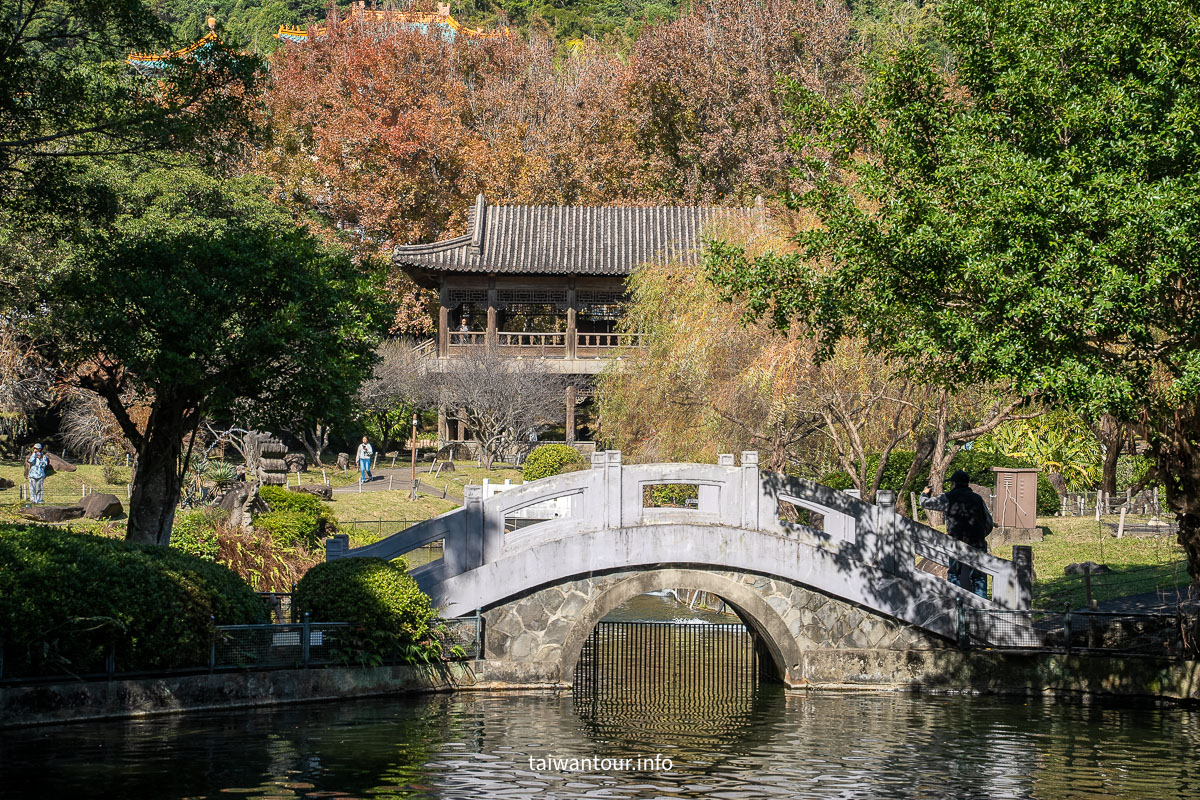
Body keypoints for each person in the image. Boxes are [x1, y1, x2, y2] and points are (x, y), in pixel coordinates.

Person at [920, 469, 996, 598]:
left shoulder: (948, 497)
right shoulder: (978, 499)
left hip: (956, 543)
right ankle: (982, 607)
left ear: (954, 483)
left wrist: (924, 493)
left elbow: (925, 503)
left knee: (955, 575)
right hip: (977, 543)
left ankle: (956, 603)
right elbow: (989, 522)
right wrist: (980, 535)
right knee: (979, 578)